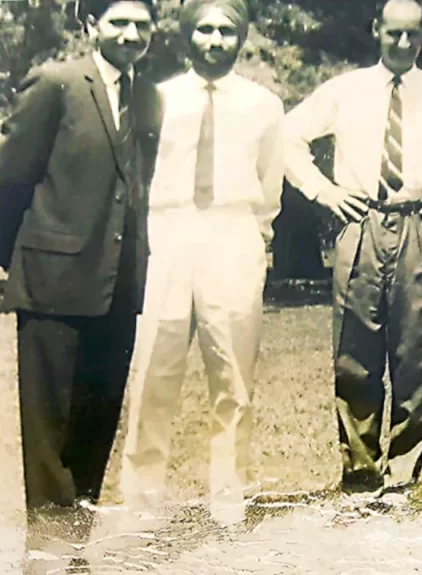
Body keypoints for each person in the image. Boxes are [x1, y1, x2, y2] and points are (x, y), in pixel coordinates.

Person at [283, 0, 422, 493]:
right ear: (377, 30)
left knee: (415, 355)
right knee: (354, 353)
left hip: (420, 225)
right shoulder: (346, 90)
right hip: (361, 222)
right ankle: (360, 474)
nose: (401, 42)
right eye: (392, 33)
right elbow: (285, 135)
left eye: (411, 34)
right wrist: (323, 191)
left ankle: (403, 476)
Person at [117, 0, 284, 527]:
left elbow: (271, 185)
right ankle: (141, 500)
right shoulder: (156, 98)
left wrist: (254, 242)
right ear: (188, 35)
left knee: (233, 377)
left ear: (241, 38)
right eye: (205, 30)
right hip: (168, 235)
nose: (215, 40)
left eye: (226, 31)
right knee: (152, 374)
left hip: (233, 236)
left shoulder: (264, 105)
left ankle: (228, 497)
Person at [0, 0, 161, 516]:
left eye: (142, 23)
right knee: (51, 437)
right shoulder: (55, 83)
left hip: (119, 286)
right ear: (91, 25)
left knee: (96, 426)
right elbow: (10, 178)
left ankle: (72, 554)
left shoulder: (149, 97)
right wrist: (9, 263)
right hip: (54, 283)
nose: (131, 33)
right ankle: (46, 558)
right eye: (119, 21)